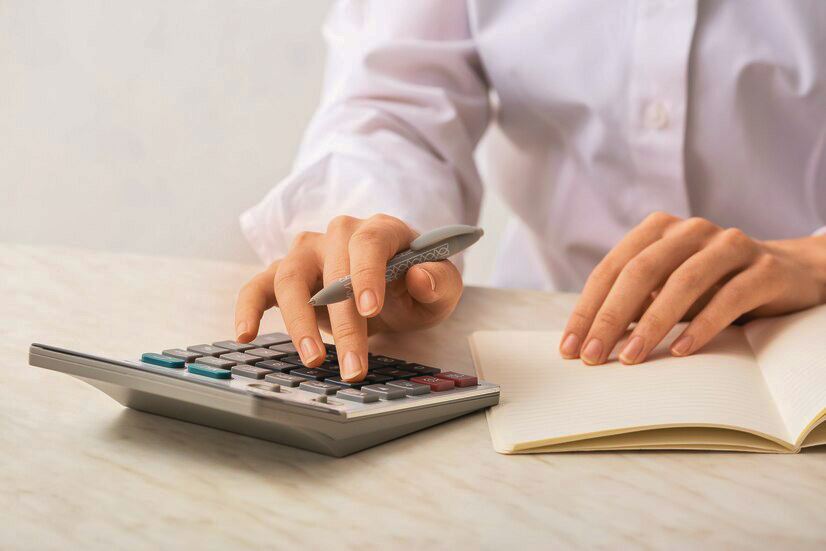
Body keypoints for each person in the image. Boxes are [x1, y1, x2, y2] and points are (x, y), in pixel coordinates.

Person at [234, 1, 826, 382]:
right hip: (548, 344)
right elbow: (396, 101)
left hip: (804, 341)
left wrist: (815, 258)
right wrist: (377, 236)